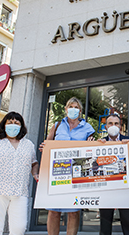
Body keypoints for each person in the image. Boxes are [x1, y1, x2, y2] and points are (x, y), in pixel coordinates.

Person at [39, 97, 95, 235]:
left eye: (76, 107)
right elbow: (47, 143)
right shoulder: (57, 125)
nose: (73, 110)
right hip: (57, 172)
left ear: (80, 111)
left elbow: (93, 148)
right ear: (66, 109)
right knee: (53, 210)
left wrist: (92, 144)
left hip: (76, 173)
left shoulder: (87, 128)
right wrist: (43, 147)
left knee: (73, 211)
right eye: (71, 106)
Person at [97, 114, 129, 235]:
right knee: (105, 224)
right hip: (105, 188)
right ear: (105, 126)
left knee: (128, 222)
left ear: (120, 126)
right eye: (110, 123)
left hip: (125, 188)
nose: (113, 126)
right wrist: (97, 147)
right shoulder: (100, 143)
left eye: (116, 124)